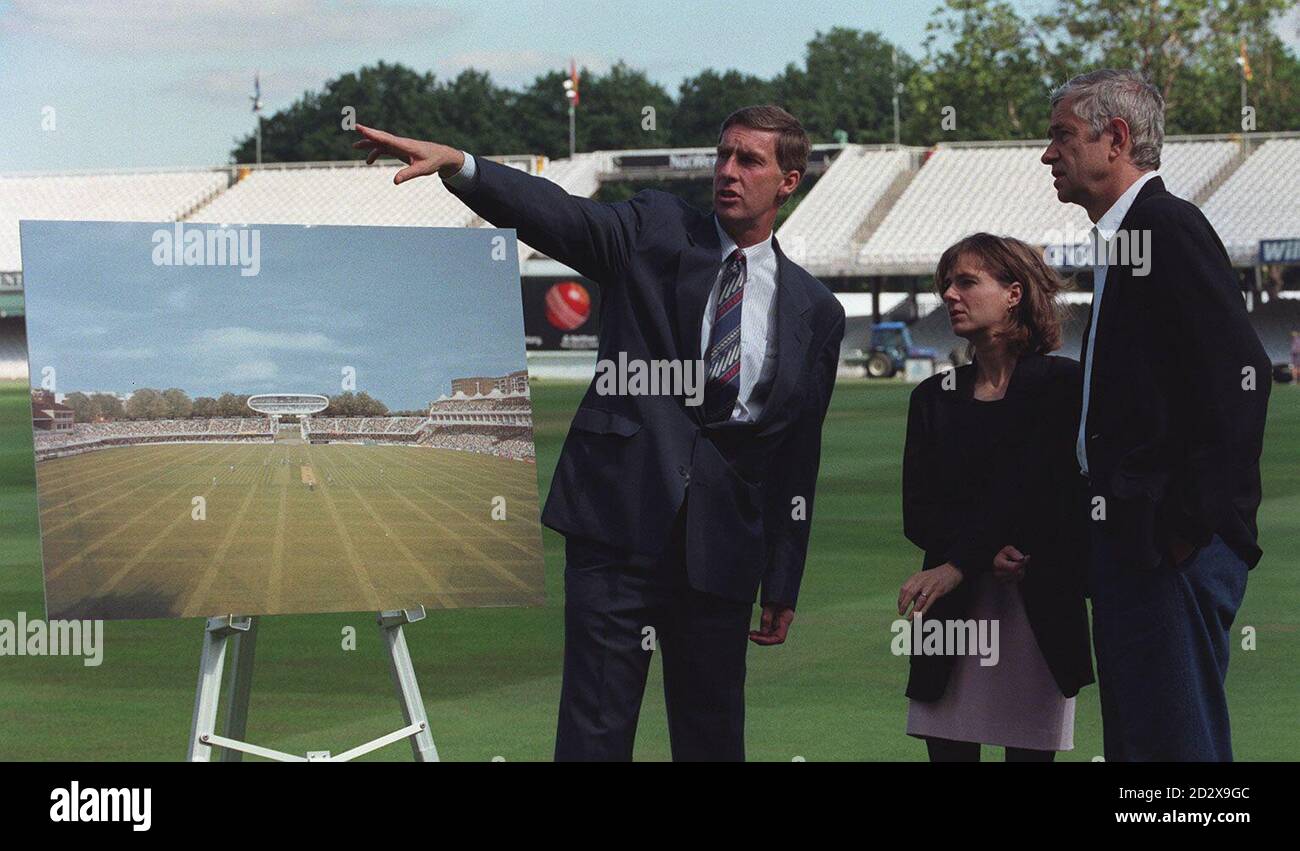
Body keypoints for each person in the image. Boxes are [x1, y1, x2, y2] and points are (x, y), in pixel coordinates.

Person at [354, 105, 845, 761]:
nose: (727, 171)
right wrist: (463, 167)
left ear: (788, 181)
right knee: (594, 735)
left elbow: (795, 455)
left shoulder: (816, 311)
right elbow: (563, 215)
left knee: (713, 738)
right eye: (722, 154)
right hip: (618, 533)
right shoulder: (654, 228)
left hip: (722, 553)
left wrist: (782, 579)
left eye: (748, 160)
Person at [1042, 69, 1271, 761]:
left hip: (1166, 546)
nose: (1047, 154)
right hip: (1135, 541)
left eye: (1061, 136)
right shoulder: (1129, 235)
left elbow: (1242, 376)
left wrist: (1186, 527)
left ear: (1115, 140)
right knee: (1146, 744)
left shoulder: (1164, 226)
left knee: (1174, 747)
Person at [899, 234, 1094, 762]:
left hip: (1039, 606)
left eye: (966, 282)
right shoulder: (931, 399)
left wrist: (992, 554)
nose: (950, 295)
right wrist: (980, 556)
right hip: (953, 611)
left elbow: (1057, 495)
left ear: (1014, 292)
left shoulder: (1065, 385)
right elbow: (918, 513)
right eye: (946, 285)